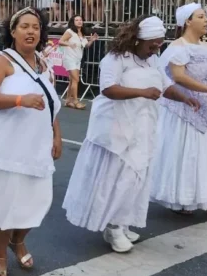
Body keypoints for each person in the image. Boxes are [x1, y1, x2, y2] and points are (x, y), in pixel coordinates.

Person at [63, 16, 197, 253]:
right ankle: (113, 227)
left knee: (136, 177)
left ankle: (122, 223)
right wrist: (142, 92)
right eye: (152, 44)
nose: (157, 48)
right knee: (119, 178)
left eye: (159, 43)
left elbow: (166, 86)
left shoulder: (153, 60)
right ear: (137, 40)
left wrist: (186, 98)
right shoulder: (115, 59)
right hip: (116, 128)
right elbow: (108, 88)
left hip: (143, 127)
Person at [0, 8, 62, 276]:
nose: (31, 31)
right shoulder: (1, 60)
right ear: (13, 31)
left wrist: (57, 135)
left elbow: (51, 104)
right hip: (3, 147)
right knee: (0, 202)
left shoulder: (43, 63)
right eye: (25, 26)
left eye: (36, 27)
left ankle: (17, 240)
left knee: (37, 202)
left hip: (35, 146)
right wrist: (19, 100)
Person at [151, 4, 207, 217]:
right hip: (187, 109)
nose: (206, 20)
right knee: (188, 154)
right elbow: (179, 76)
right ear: (188, 21)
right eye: (201, 17)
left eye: (206, 17)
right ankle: (184, 199)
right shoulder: (177, 48)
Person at [58, 14, 98, 109]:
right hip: (69, 58)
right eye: (77, 20)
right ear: (73, 22)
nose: (79, 21)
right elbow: (60, 41)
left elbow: (86, 46)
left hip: (77, 59)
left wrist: (91, 40)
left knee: (72, 80)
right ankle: (76, 101)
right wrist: (69, 44)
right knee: (76, 79)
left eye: (80, 20)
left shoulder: (82, 34)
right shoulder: (69, 31)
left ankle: (68, 100)